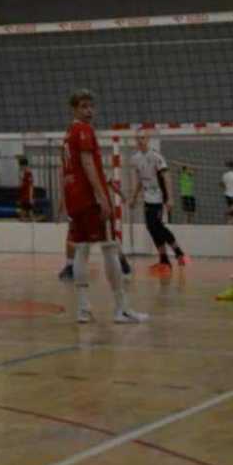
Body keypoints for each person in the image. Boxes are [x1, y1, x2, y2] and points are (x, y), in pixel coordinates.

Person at [62, 90, 146, 325]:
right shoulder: (84, 130)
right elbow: (88, 164)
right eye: (83, 106)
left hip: (74, 200)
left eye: (91, 106)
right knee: (110, 247)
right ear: (74, 109)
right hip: (90, 200)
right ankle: (121, 309)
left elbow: (66, 170)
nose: (89, 110)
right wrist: (102, 197)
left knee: (81, 250)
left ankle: (83, 310)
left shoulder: (68, 133)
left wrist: (65, 201)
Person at [127, 132, 187, 273]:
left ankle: (177, 254)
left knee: (157, 226)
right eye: (138, 138)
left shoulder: (156, 156)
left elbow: (167, 177)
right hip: (147, 198)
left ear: (148, 139)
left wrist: (170, 198)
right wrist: (134, 197)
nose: (140, 140)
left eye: (143, 137)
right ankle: (166, 259)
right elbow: (140, 180)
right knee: (152, 227)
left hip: (158, 197)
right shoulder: (135, 158)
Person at [16, 156, 36, 224]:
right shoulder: (24, 174)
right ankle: (24, 221)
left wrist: (31, 198)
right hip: (23, 195)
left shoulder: (29, 174)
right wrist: (21, 179)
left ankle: (33, 223)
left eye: (21, 166)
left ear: (25, 165)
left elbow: (31, 186)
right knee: (23, 211)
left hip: (27, 196)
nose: (21, 168)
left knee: (29, 211)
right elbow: (21, 185)